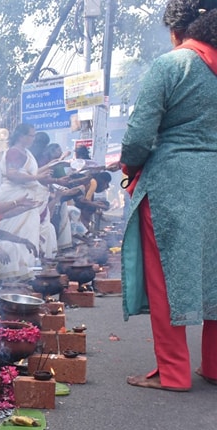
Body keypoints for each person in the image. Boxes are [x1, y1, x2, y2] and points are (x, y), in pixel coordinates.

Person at [120, 0, 217, 392]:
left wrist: (129, 167)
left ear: (178, 30)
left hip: (171, 183)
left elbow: (140, 136)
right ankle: (213, 365)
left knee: (163, 277)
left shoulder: (171, 65)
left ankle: (174, 372)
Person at [0, 123, 51, 275]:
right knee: (13, 236)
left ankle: (25, 271)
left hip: (26, 196)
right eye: (31, 135)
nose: (33, 138)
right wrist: (37, 177)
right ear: (21, 136)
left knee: (28, 233)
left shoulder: (25, 153)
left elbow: (34, 174)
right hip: (14, 195)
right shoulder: (14, 152)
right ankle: (10, 272)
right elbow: (12, 174)